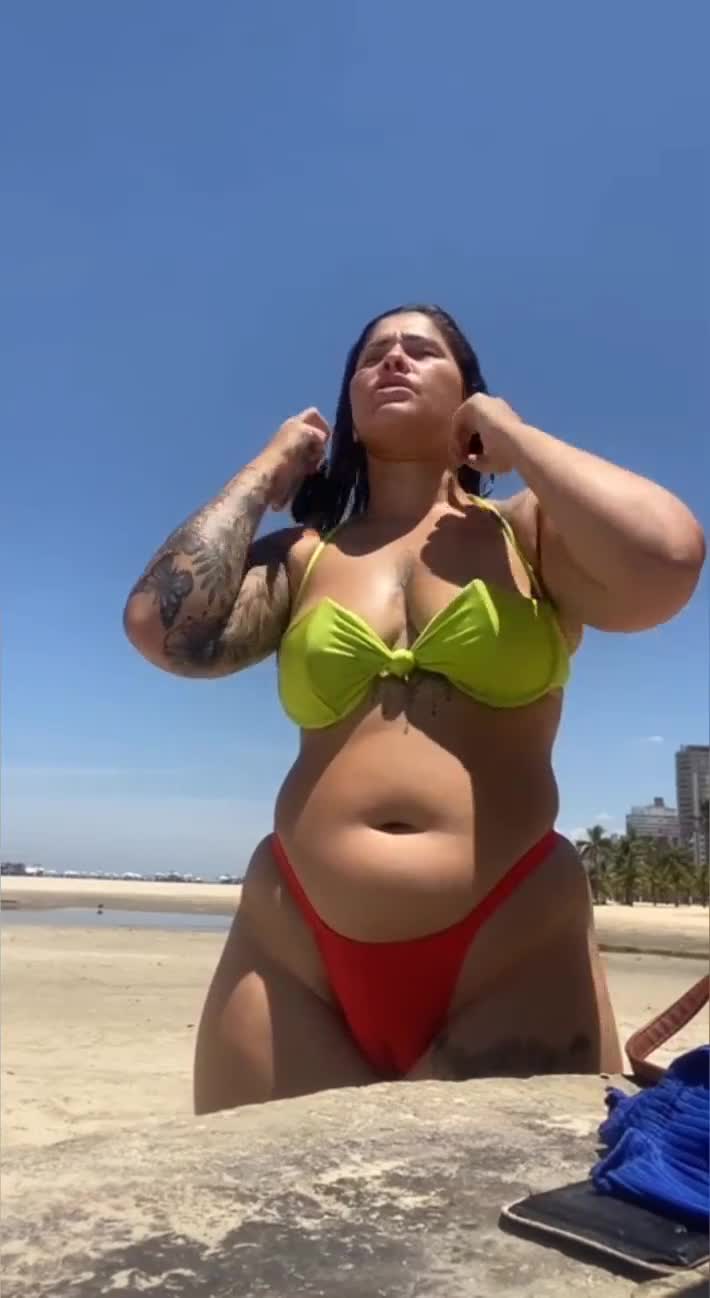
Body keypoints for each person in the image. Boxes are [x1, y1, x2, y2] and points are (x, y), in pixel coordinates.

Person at [123, 304, 705, 1112]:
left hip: (511, 943)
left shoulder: (529, 535)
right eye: (373, 356)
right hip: (293, 944)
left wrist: (516, 437)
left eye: (421, 351)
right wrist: (269, 467)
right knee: (263, 1195)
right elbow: (161, 628)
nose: (393, 360)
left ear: (469, 395)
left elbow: (667, 560)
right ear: (349, 407)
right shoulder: (306, 557)